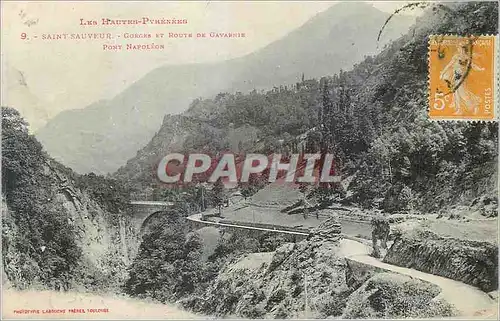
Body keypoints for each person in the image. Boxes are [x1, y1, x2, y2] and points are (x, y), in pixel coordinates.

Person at [439, 43, 485, 115]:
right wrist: (443, 73)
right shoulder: (456, 56)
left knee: (463, 93)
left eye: (460, 48)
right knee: (456, 94)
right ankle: (459, 109)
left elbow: (472, 65)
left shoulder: (467, 57)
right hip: (455, 77)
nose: (459, 49)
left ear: (463, 49)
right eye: (458, 48)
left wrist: (480, 69)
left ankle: (474, 106)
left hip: (462, 78)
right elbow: (449, 65)